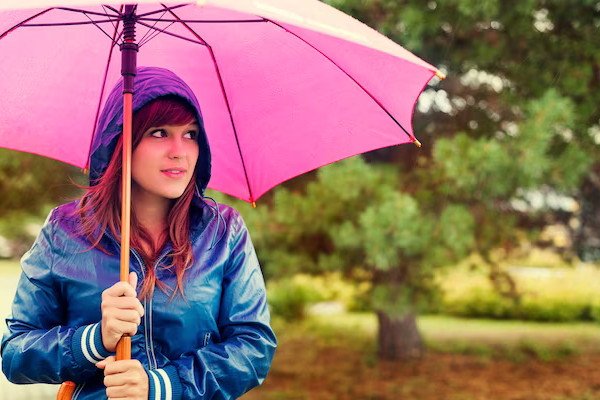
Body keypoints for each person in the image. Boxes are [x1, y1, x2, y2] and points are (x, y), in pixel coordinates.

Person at [1, 66, 277, 400]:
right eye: (160, 132)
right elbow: (15, 353)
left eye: (191, 134)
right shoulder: (65, 231)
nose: (179, 150)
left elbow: (253, 347)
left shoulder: (223, 231)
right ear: (122, 141)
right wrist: (95, 339)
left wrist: (162, 385)